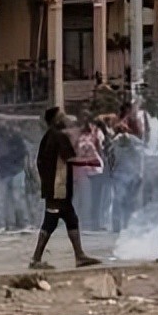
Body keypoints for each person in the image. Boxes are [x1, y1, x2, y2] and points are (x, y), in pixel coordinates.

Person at [30, 107, 101, 270]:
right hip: (58, 188)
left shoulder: (49, 136)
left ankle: (80, 256)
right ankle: (36, 259)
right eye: (62, 116)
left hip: (57, 186)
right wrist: (91, 163)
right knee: (50, 221)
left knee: (71, 219)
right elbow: (70, 159)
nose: (66, 118)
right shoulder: (58, 136)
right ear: (56, 120)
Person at [0, 125, 30, 233]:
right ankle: (7, 224)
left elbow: (24, 154)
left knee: (17, 198)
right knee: (4, 200)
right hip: (5, 172)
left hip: (16, 171)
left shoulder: (16, 139)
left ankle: (23, 224)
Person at [107, 127, 145, 233]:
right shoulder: (115, 142)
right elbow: (110, 157)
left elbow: (139, 158)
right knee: (118, 199)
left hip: (132, 174)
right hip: (119, 174)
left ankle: (128, 224)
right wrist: (112, 172)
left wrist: (139, 174)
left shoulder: (136, 142)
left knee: (130, 201)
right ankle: (117, 225)